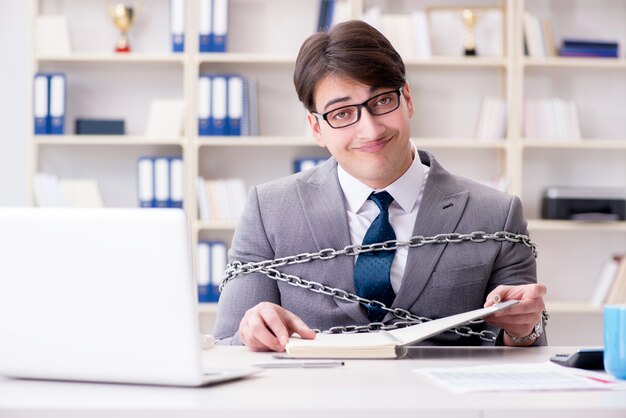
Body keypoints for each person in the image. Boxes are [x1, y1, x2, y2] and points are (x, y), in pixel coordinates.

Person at [213, 20, 547, 351]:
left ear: (408, 100)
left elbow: (528, 346)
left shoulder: (496, 214)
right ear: (316, 129)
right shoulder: (268, 210)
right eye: (342, 113)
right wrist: (252, 330)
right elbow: (228, 346)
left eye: (383, 101)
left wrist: (523, 329)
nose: (371, 131)